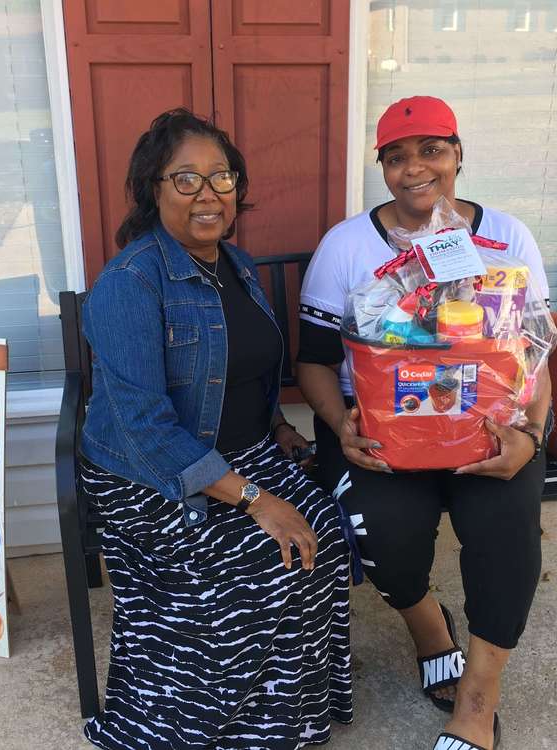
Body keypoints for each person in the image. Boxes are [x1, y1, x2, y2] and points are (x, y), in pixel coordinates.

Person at [80, 108, 353, 750]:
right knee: (265, 558)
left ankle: (288, 717)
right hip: (148, 473)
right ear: (153, 188)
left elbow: (244, 372)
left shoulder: (235, 262)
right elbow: (144, 427)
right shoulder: (129, 284)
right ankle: (216, 724)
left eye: (221, 178)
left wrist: (279, 430)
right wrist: (258, 501)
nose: (208, 195)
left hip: (245, 452)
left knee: (325, 537)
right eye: (185, 180)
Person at [297, 96, 552, 750]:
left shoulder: (508, 239)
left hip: (486, 427)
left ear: (458, 154)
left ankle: (476, 701)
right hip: (383, 429)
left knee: (506, 527)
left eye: (432, 150)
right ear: (381, 166)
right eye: (396, 156)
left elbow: (536, 351)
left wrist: (528, 432)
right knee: (384, 530)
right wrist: (340, 424)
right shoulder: (346, 246)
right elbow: (315, 361)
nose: (415, 168)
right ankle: (427, 626)